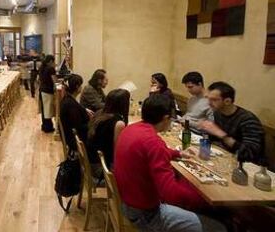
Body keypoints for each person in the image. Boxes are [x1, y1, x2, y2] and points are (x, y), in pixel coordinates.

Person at [115, 94, 226, 232]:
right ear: (166, 118)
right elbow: (171, 194)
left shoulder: (131, 129)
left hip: (126, 203)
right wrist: (206, 200)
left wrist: (178, 153)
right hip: (145, 214)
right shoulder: (153, 142)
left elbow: (148, 153)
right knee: (218, 228)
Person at [198, 82, 265, 164]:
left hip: (247, 166)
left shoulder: (248, 120)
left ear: (227, 101)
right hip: (225, 158)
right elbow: (213, 139)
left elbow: (250, 154)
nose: (209, 103)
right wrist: (206, 129)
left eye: (214, 100)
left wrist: (222, 135)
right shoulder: (218, 113)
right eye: (208, 99)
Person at [87, 88, 130, 177]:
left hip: (92, 161)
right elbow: (117, 152)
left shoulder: (100, 113)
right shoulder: (118, 123)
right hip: (102, 168)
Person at [60, 74, 93, 151]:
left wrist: (84, 110)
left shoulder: (67, 99)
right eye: (80, 85)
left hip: (72, 135)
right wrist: (93, 123)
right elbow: (79, 127)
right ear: (77, 87)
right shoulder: (70, 104)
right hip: (75, 140)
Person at [38, 55, 57, 132]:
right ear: (50, 61)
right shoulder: (51, 69)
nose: (54, 63)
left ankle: (44, 126)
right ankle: (48, 127)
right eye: (53, 61)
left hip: (42, 90)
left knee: (44, 109)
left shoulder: (42, 67)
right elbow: (54, 80)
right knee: (48, 110)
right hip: (48, 91)